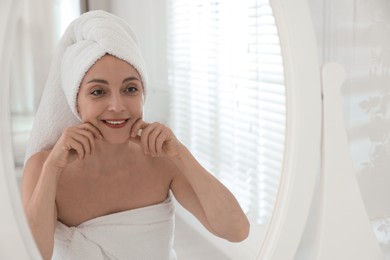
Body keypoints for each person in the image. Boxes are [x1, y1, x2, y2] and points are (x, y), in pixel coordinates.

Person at [21, 10, 249, 260]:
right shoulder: (44, 166)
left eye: (130, 89)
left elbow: (236, 230)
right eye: (98, 92)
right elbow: (31, 255)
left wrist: (182, 155)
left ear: (143, 95)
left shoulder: (162, 160)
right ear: (75, 100)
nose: (117, 106)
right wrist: (53, 168)